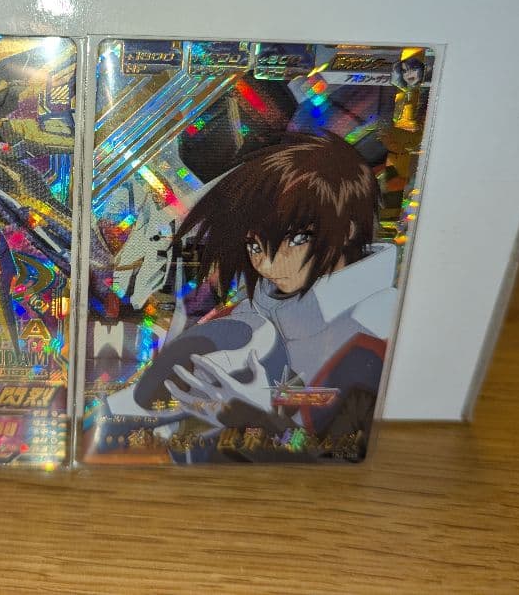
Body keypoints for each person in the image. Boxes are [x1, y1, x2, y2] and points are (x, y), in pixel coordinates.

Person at [99, 132, 397, 455]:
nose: (266, 264)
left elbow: (341, 457)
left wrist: (258, 419)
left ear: (347, 229)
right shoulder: (260, 306)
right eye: (255, 246)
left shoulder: (375, 332)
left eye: (293, 240)